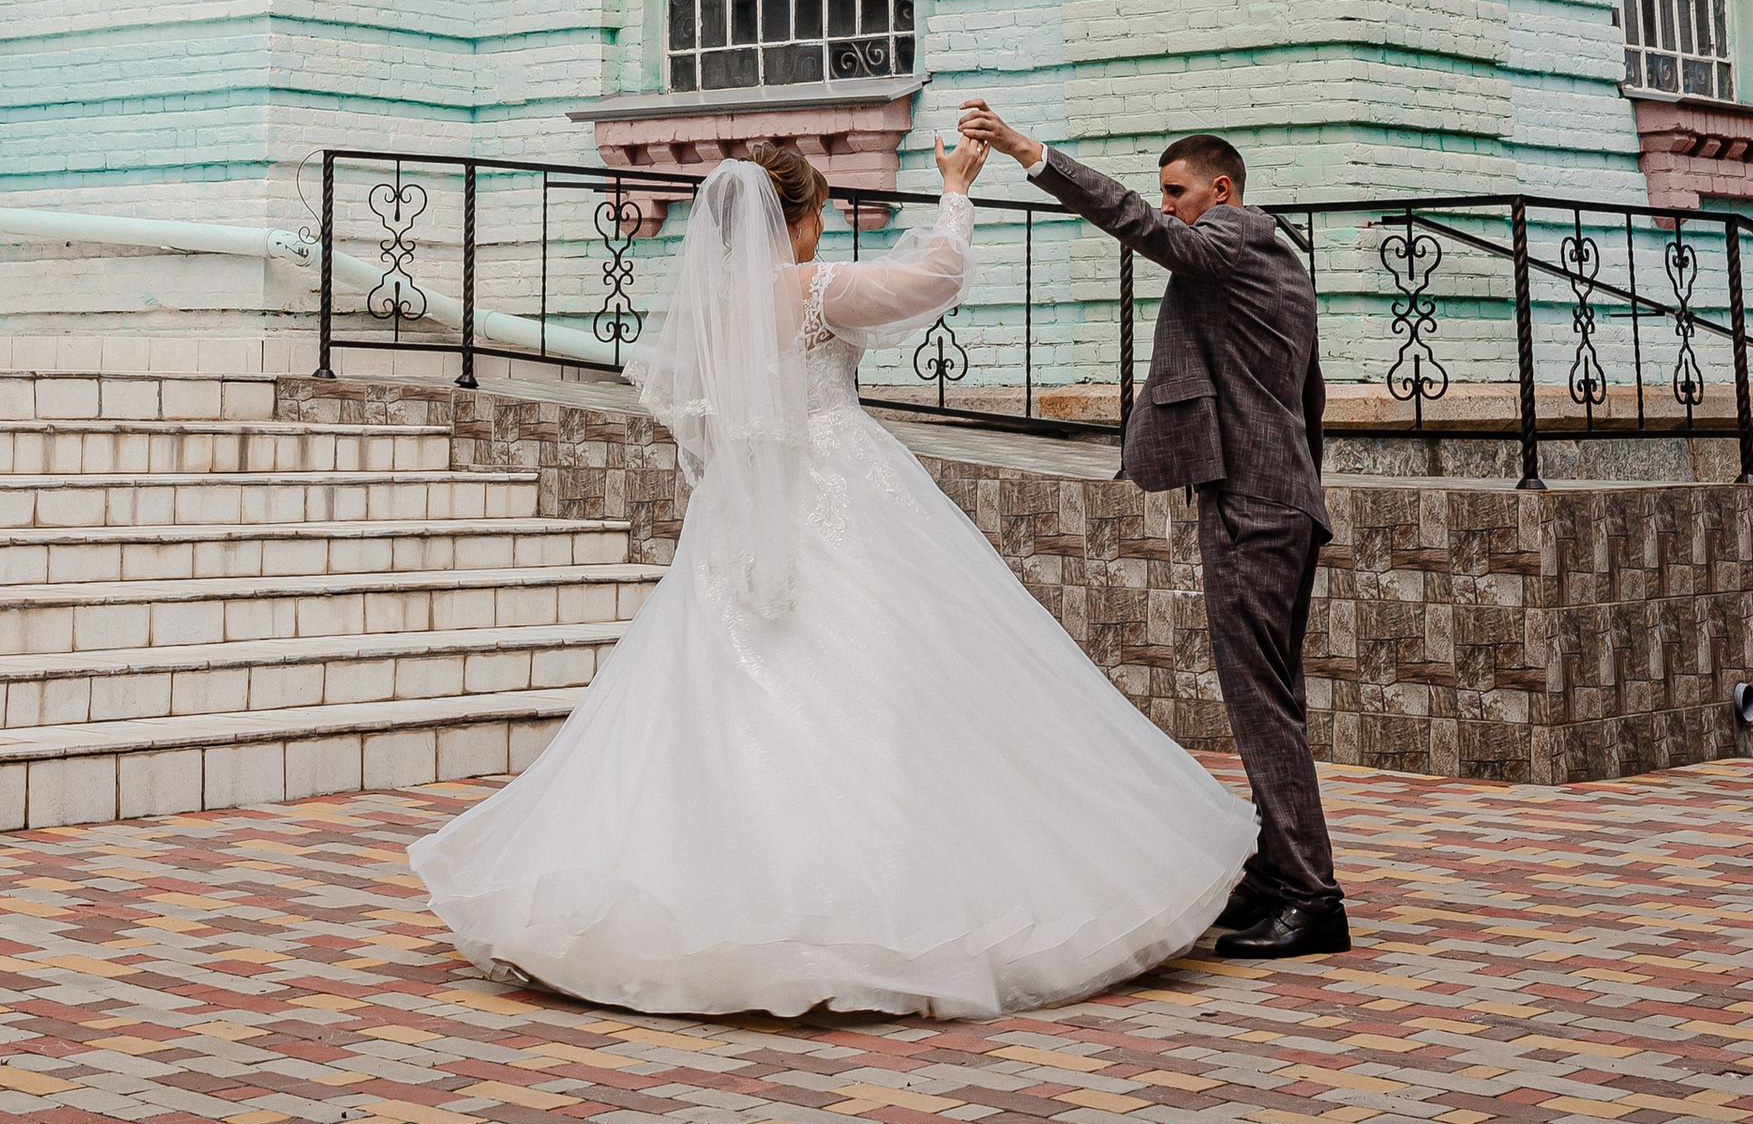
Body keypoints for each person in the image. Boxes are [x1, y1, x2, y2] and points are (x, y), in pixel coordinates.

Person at [411, 130, 1250, 1019]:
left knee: (718, 691)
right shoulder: (811, 288)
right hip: (841, 489)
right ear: (802, 219)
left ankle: (694, 896)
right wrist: (957, 191)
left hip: (742, 513)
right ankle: (877, 906)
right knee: (887, 679)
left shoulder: (714, 304)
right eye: (817, 213)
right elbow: (935, 280)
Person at [956, 102, 1346, 961]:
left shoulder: (1235, 239)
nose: (1165, 206)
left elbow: (1137, 225)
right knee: (1270, 697)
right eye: (1164, 193)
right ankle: (1279, 873)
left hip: (1255, 502)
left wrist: (1030, 152)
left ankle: (1313, 898)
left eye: (1177, 192)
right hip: (1277, 495)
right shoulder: (1273, 260)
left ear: (1223, 189)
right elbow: (1305, 396)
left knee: (1260, 705)